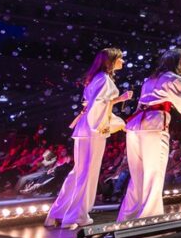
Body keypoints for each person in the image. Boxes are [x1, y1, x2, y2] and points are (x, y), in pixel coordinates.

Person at [46, 48, 131, 228]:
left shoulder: (96, 78)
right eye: (120, 59)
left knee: (78, 172)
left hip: (84, 128)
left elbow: (96, 103)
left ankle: (57, 213)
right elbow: (97, 106)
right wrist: (110, 124)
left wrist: (117, 100)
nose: (123, 61)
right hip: (93, 130)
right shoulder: (104, 79)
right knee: (87, 173)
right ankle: (75, 216)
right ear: (112, 61)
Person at [117, 48, 181, 222]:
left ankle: (128, 216)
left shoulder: (150, 79)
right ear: (174, 61)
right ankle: (149, 218)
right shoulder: (173, 78)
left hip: (135, 127)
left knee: (138, 175)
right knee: (154, 174)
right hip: (154, 127)